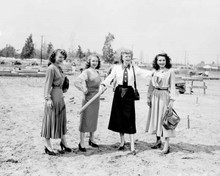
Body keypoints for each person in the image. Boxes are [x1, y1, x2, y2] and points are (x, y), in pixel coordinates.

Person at [100, 49, 152, 155]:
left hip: (129, 93)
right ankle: (122, 142)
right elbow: (110, 77)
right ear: (122, 57)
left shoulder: (134, 68)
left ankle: (132, 145)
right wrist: (103, 85)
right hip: (118, 93)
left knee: (129, 118)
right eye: (125, 56)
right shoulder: (116, 68)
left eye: (129, 56)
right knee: (120, 117)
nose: (128, 58)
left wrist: (155, 73)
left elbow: (145, 73)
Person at [41, 49, 71, 155]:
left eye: (63, 57)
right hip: (53, 96)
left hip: (60, 96)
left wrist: (65, 87)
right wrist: (47, 98)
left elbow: (61, 83)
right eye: (59, 56)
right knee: (50, 120)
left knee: (61, 119)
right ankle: (47, 146)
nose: (61, 59)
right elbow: (47, 84)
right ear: (54, 56)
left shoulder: (59, 68)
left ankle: (63, 142)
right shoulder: (51, 68)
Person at [146, 53, 176, 154]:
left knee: (165, 119)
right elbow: (150, 86)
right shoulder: (154, 71)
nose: (161, 62)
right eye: (159, 60)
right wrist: (148, 97)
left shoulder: (170, 72)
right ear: (156, 61)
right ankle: (158, 141)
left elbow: (172, 87)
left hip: (164, 96)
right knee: (156, 118)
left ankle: (166, 145)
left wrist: (171, 101)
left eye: (163, 60)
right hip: (155, 96)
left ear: (166, 61)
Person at [74, 54, 101, 152]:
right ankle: (81, 142)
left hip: (96, 99)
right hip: (88, 98)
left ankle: (91, 139)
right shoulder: (86, 72)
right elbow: (76, 82)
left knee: (93, 119)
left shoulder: (97, 72)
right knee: (85, 120)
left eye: (96, 61)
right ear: (89, 62)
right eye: (93, 61)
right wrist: (83, 89)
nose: (95, 63)